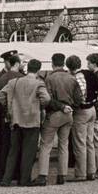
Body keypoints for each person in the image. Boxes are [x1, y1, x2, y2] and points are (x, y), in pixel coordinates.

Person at [0, 59, 50, 187]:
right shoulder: (39, 84)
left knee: (13, 151)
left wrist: (11, 106)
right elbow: (46, 99)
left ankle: (6, 179)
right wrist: (39, 106)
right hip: (32, 120)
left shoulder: (14, 82)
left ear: (27, 68)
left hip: (16, 120)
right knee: (29, 152)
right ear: (38, 69)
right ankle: (24, 179)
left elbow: (1, 95)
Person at [35, 53, 78, 186]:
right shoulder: (72, 78)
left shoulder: (50, 79)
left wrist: (60, 106)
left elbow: (47, 100)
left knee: (46, 144)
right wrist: (69, 107)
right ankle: (62, 176)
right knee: (63, 145)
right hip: (68, 115)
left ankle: (42, 175)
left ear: (52, 63)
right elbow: (79, 99)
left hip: (54, 114)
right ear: (64, 63)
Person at [68, 55, 98, 182]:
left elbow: (81, 95)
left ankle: (81, 173)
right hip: (92, 110)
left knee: (80, 143)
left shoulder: (77, 77)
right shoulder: (91, 74)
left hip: (82, 111)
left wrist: (76, 104)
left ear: (69, 67)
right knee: (89, 142)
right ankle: (91, 171)